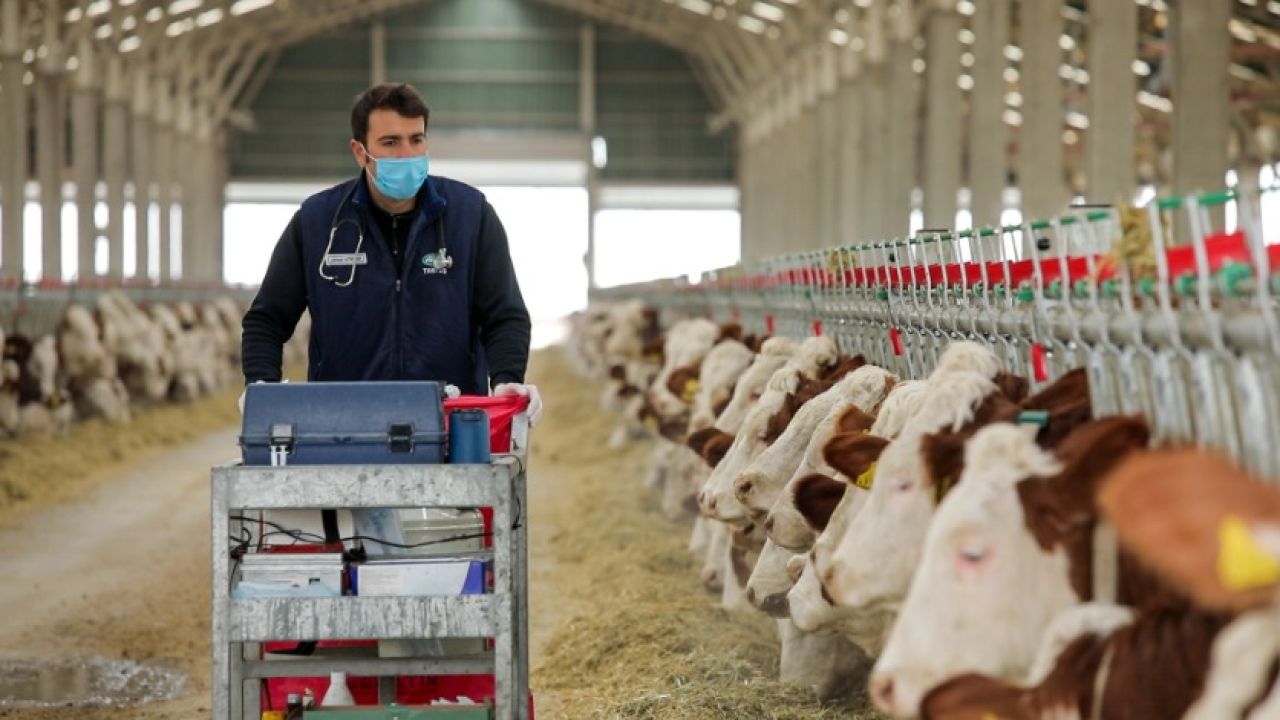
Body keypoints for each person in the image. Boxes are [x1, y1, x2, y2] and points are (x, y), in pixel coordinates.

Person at [240, 82, 541, 423]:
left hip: (450, 420)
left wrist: (506, 378)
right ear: (359, 151)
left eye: (416, 139)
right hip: (343, 425)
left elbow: (505, 315)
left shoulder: (470, 216)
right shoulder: (318, 223)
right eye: (390, 142)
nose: (407, 154)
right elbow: (267, 319)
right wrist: (260, 384)